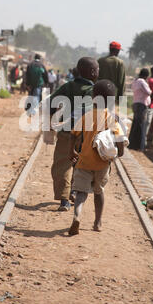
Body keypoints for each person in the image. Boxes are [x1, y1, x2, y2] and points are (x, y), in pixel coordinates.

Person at [68, 79, 125, 235]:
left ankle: (77, 217)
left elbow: (73, 135)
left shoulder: (86, 116)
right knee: (99, 192)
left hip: (84, 161)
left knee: (81, 193)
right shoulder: (112, 118)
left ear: (93, 96)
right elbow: (120, 140)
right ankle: (97, 222)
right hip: (102, 164)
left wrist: (71, 151)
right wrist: (120, 153)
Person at [49, 57, 99, 211]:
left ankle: (64, 200)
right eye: (97, 70)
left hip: (66, 132)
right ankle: (74, 191)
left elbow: (52, 102)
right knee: (80, 165)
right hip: (86, 135)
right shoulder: (95, 91)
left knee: (62, 165)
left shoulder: (68, 86)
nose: (98, 72)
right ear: (92, 72)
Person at [128, 68, 151, 151]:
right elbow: (148, 92)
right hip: (141, 104)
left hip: (135, 103)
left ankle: (131, 143)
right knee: (140, 125)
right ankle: (137, 145)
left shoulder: (136, 81)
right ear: (146, 75)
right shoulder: (142, 81)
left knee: (135, 123)